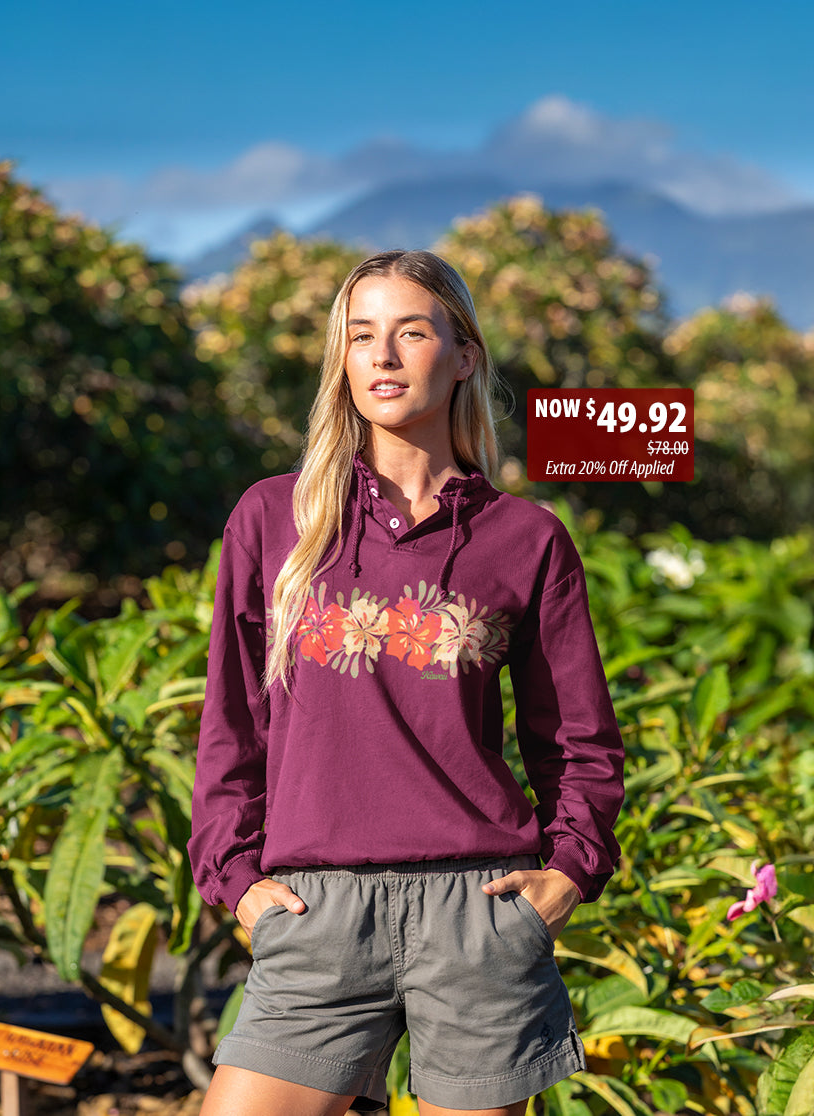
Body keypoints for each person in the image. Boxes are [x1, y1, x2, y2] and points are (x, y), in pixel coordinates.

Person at [188, 250, 625, 1116]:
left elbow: (578, 740)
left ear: (463, 355)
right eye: (360, 336)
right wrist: (236, 881)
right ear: (340, 360)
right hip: (316, 914)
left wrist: (566, 875)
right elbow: (231, 723)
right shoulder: (274, 518)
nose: (381, 356)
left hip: (480, 918)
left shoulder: (526, 540)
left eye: (410, 332)